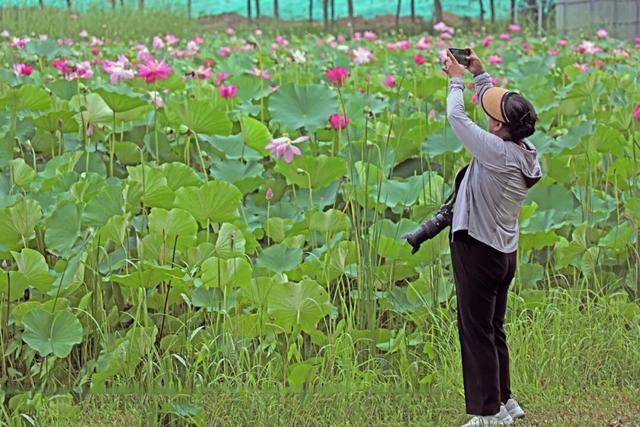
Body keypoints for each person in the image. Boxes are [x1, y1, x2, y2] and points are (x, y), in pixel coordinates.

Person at [441, 49, 543, 427]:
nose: (487, 113)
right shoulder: (525, 151)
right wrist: (479, 74)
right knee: (493, 328)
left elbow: (457, 117)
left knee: (475, 332)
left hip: (479, 251)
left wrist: (455, 80)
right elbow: (495, 109)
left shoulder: (495, 152)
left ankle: (487, 414)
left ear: (498, 126)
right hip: (504, 253)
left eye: (492, 113)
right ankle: (505, 402)